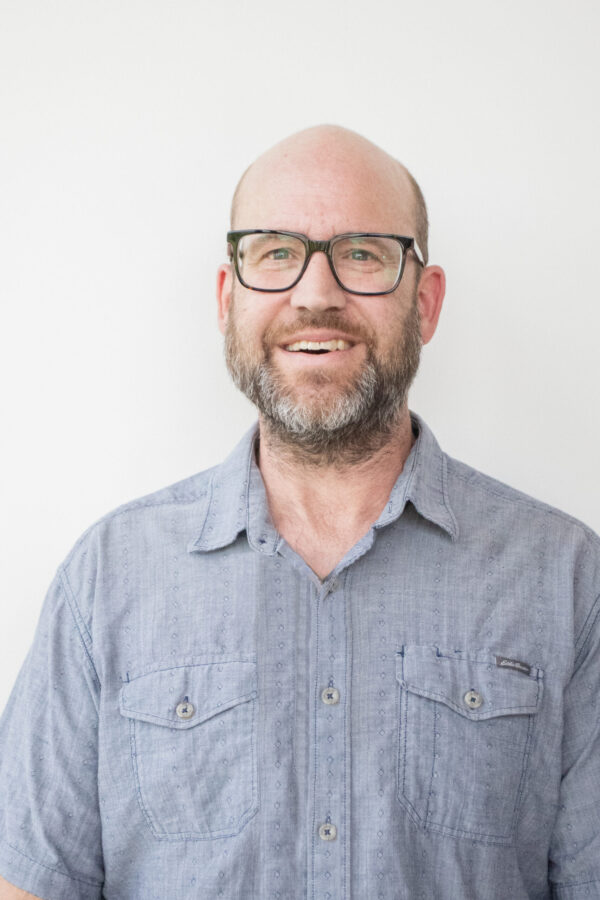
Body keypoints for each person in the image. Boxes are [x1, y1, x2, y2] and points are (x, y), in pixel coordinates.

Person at [0, 125, 599, 900]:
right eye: (277, 252)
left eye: (363, 253)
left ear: (425, 302)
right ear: (229, 300)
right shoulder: (108, 578)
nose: (316, 295)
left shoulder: (565, 579)